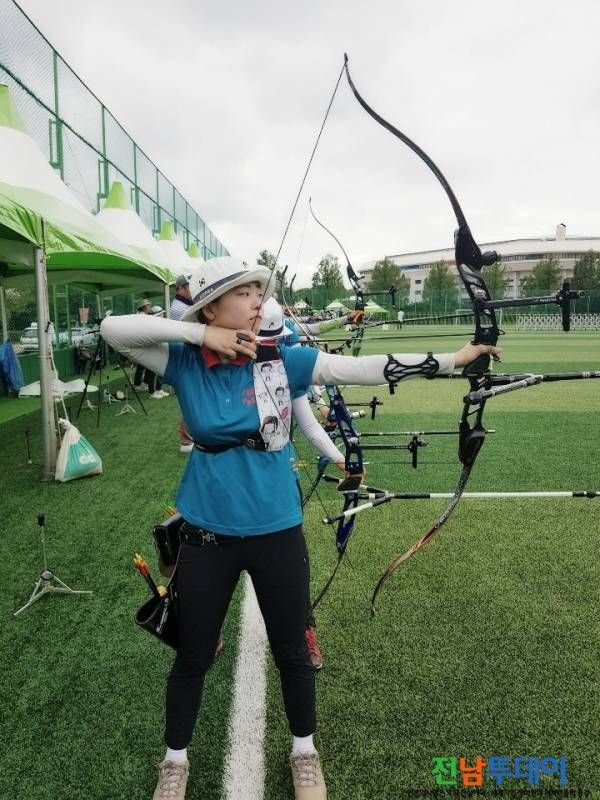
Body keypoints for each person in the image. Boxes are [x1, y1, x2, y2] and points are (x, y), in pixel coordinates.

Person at [101, 256, 501, 800]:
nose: (257, 301)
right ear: (211, 308)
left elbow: (359, 368)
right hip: (207, 534)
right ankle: (174, 762)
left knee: (292, 648)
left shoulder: (281, 360)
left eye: (257, 291)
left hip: (276, 530)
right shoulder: (184, 360)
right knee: (193, 653)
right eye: (243, 293)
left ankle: (304, 752)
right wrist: (201, 335)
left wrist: (454, 360)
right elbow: (113, 329)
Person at [170, 277, 195, 449]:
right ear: (181, 288)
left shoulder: (183, 304)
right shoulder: (180, 308)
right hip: (185, 357)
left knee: (192, 398)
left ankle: (188, 438)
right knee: (190, 399)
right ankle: (186, 440)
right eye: (189, 286)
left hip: (186, 356)